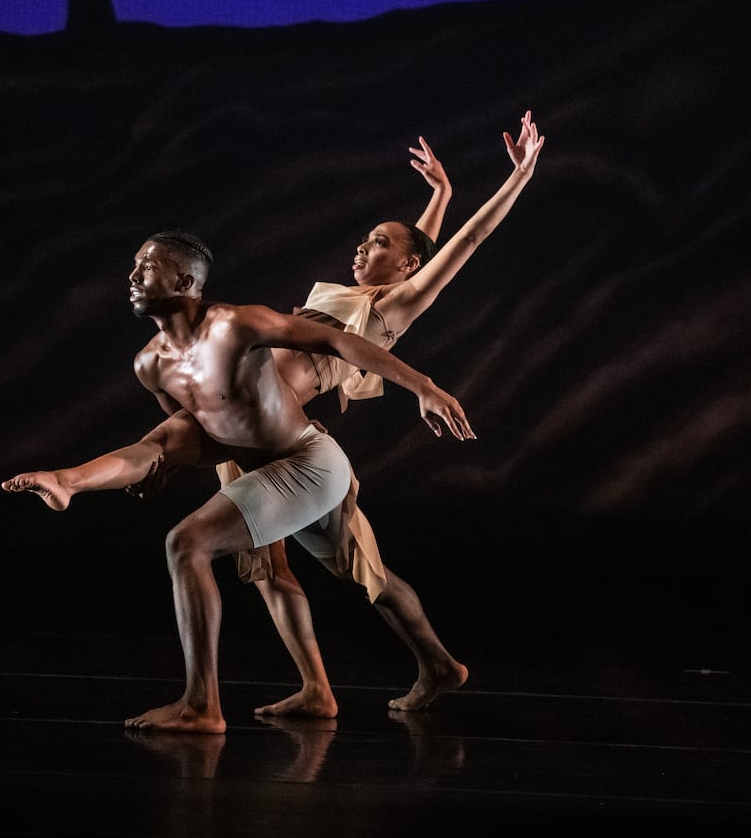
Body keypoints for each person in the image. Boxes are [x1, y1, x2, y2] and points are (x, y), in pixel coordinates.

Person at [2, 230, 475, 733]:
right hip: (254, 464)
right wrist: (161, 467)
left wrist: (423, 386)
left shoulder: (239, 324)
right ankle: (401, 673)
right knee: (325, 573)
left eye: (147, 266)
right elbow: (189, 432)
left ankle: (201, 706)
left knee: (188, 543)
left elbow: (341, 338)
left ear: (185, 281)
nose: (133, 276)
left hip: (308, 463)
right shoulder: (151, 364)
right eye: (135, 265)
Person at [224, 110, 546, 718]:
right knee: (263, 564)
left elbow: (460, 245)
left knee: (363, 571)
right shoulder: (359, 295)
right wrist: (441, 193)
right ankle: (320, 690)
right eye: (367, 237)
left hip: (286, 442)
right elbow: (417, 245)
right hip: (248, 433)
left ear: (405, 270)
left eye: (377, 243)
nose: (362, 246)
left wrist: (519, 177)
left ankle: (439, 664)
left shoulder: (392, 308)